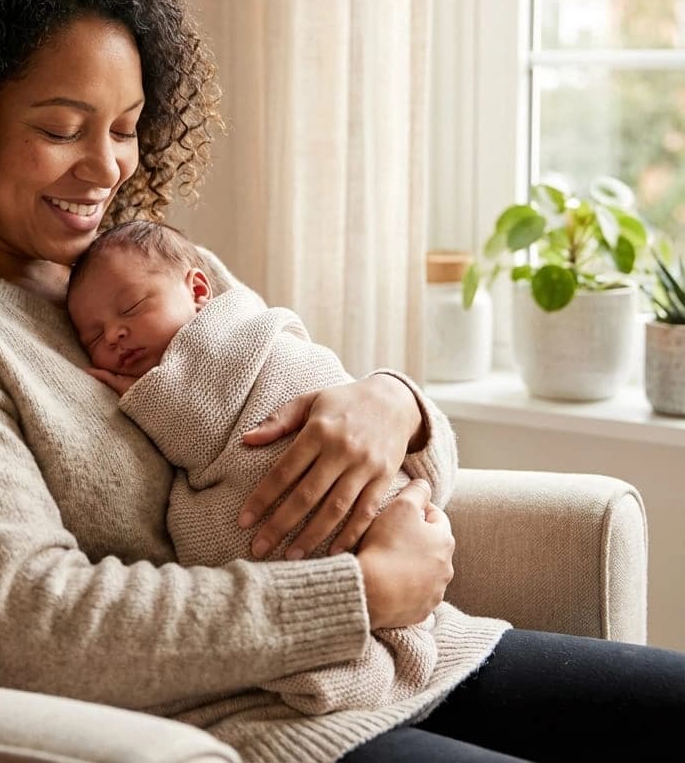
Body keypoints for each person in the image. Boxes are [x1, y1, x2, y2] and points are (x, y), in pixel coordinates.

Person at [0, 0, 684, 763]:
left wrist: (395, 408)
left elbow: (305, 397)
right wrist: (361, 593)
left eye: (127, 129)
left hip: (409, 661)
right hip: (244, 726)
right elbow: (35, 626)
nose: (106, 168)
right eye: (61, 129)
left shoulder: (132, 264)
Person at [65, 218, 502, 717]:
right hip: (297, 637)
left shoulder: (232, 331)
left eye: (132, 308)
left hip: (412, 575)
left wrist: (399, 403)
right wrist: (372, 586)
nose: (115, 334)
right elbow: (205, 438)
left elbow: (215, 412)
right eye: (94, 336)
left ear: (200, 290)